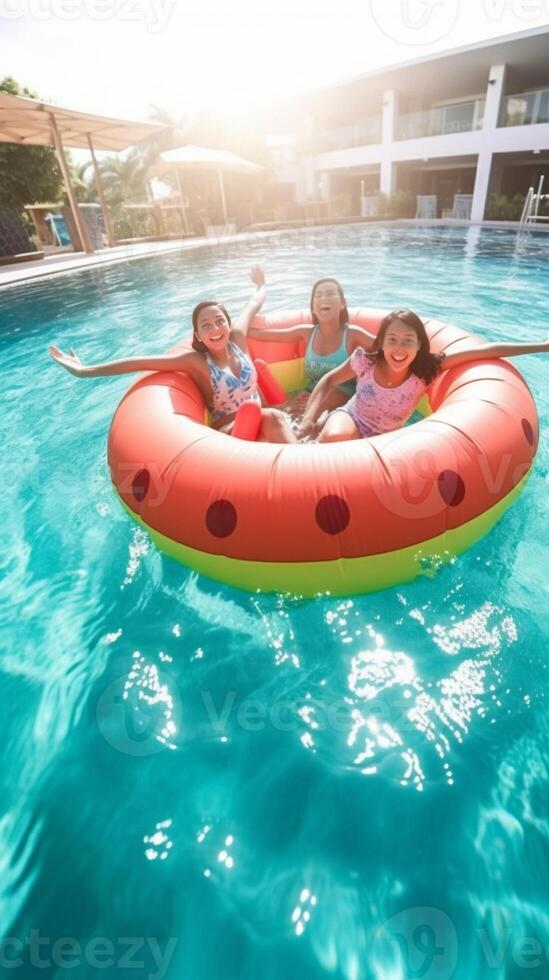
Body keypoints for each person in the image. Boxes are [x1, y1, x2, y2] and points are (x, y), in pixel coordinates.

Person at [49, 267, 297, 444]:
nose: (215, 329)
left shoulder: (239, 339)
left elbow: (254, 303)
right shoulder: (197, 363)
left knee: (279, 415)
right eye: (206, 325)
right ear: (198, 335)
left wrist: (261, 283)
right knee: (274, 417)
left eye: (219, 321)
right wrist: (85, 370)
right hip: (232, 433)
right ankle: (299, 468)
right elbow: (139, 361)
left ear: (228, 324)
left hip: (262, 419)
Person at [309, 308, 549, 442]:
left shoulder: (427, 370)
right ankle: (321, 425)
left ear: (419, 345)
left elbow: (488, 350)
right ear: (381, 342)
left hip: (386, 436)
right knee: (335, 437)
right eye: (392, 340)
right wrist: (308, 417)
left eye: (408, 341)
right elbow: (328, 380)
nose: (399, 349)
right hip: (353, 417)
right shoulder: (366, 361)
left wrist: (542, 345)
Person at [248, 277, 375, 438]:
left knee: (310, 427)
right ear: (313, 308)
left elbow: (389, 347)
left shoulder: (354, 335)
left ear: (342, 303)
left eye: (330, 294)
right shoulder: (307, 333)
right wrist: (233, 330)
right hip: (311, 394)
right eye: (318, 295)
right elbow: (264, 335)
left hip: (341, 397)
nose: (323, 298)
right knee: (284, 416)